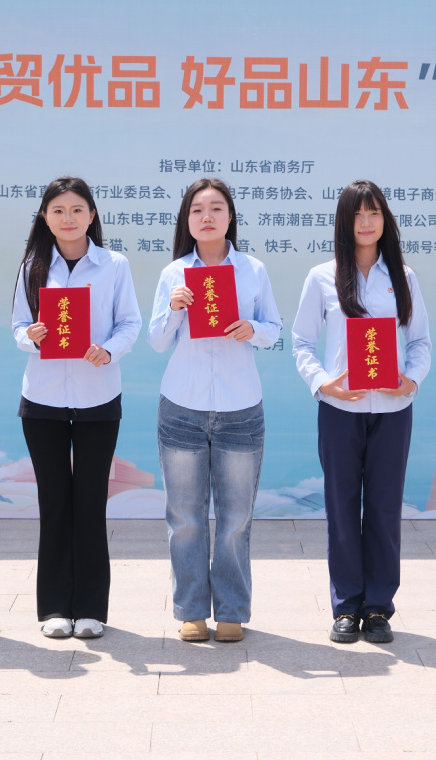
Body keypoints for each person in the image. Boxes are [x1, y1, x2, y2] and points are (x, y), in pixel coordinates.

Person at [292, 180, 431, 644]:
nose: (366, 222)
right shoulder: (322, 276)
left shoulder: (403, 277)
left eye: (374, 213)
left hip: (393, 409)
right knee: (342, 506)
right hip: (340, 409)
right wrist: (321, 382)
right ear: (344, 222)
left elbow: (420, 341)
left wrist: (411, 380)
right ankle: (346, 606)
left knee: (385, 508)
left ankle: (378, 608)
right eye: (357, 214)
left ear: (385, 220)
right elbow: (301, 342)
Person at [148, 178, 282, 643]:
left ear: (230, 217)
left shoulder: (253, 270)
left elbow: (273, 327)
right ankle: (190, 611)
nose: (207, 217)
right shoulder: (174, 273)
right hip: (181, 407)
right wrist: (174, 308)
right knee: (185, 517)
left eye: (216, 208)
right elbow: (157, 340)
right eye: (197, 210)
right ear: (187, 220)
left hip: (240, 407)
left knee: (235, 519)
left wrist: (252, 329)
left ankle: (231, 611)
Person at [12, 177, 141, 639]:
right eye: (58, 210)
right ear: (45, 217)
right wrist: (32, 336)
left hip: (98, 397)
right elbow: (18, 326)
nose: (68, 218)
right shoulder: (32, 265)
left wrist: (108, 350)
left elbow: (130, 323)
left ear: (92, 215)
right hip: (43, 399)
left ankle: (89, 609)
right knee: (53, 502)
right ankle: (53, 608)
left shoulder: (114, 265)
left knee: (89, 503)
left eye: (77, 209)